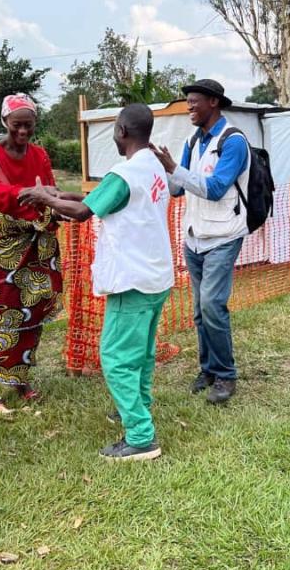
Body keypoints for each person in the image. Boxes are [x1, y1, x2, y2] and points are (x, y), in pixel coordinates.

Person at [21, 104, 172, 461]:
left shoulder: (126, 172)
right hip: (156, 275)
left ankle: (141, 436)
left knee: (116, 358)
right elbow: (99, 199)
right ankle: (134, 408)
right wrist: (60, 196)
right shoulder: (153, 167)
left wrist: (45, 198)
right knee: (141, 353)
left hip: (132, 280)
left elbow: (83, 212)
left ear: (121, 131)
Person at [152, 79, 250, 405]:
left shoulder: (233, 141)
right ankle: (208, 369)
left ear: (214, 102)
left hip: (223, 235)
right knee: (199, 310)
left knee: (211, 305)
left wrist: (174, 168)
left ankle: (225, 375)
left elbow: (217, 188)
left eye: (194, 102)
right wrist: (161, 169)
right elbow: (178, 188)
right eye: (188, 102)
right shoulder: (192, 141)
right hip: (194, 236)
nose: (189, 107)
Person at [0, 94, 63, 412]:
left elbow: (50, 188)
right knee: (0, 315)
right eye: (16, 125)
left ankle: (20, 378)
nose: (23, 132)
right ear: (4, 122)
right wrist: (34, 194)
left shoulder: (39, 154)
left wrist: (53, 200)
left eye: (28, 125)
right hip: (1, 247)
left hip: (35, 243)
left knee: (31, 311)